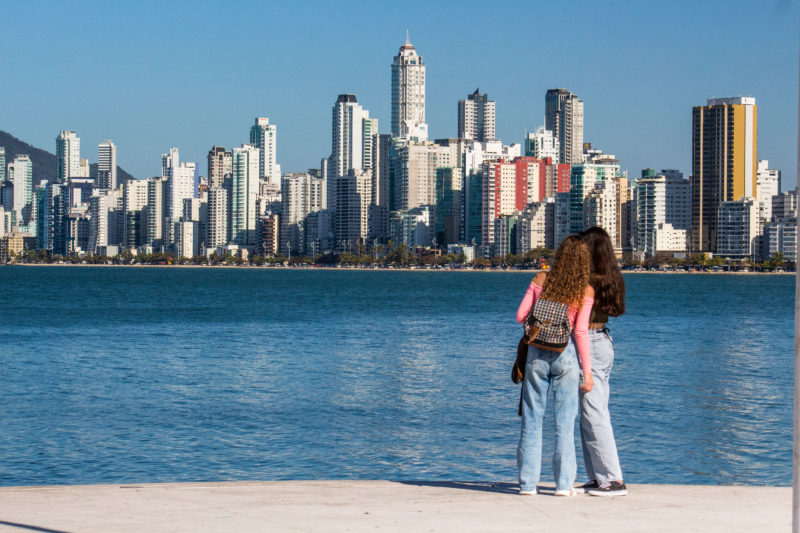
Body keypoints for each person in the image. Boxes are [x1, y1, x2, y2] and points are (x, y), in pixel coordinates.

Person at [515, 235, 594, 496]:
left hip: (536, 354)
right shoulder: (585, 290)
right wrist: (588, 372)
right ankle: (563, 485)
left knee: (532, 419)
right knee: (564, 422)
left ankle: (527, 485)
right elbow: (581, 332)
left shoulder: (540, 280)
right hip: (567, 355)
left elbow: (520, 317)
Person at [579, 226, 627, 497]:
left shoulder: (587, 280)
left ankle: (612, 479)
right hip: (604, 341)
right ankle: (598, 477)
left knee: (594, 413)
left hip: (591, 342)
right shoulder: (611, 277)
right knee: (591, 412)